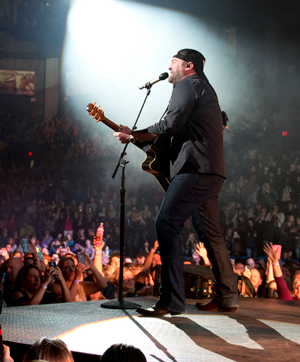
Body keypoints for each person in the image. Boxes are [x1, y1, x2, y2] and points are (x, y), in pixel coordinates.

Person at [114, 48, 237, 316]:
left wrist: (134, 133)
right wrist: (136, 137)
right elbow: (173, 132)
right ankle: (227, 296)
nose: (169, 66)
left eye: (173, 62)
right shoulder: (205, 89)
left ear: (188, 65)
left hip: (194, 168)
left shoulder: (188, 84)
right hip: (211, 170)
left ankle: (171, 300)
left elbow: (169, 125)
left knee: (167, 223)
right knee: (210, 233)